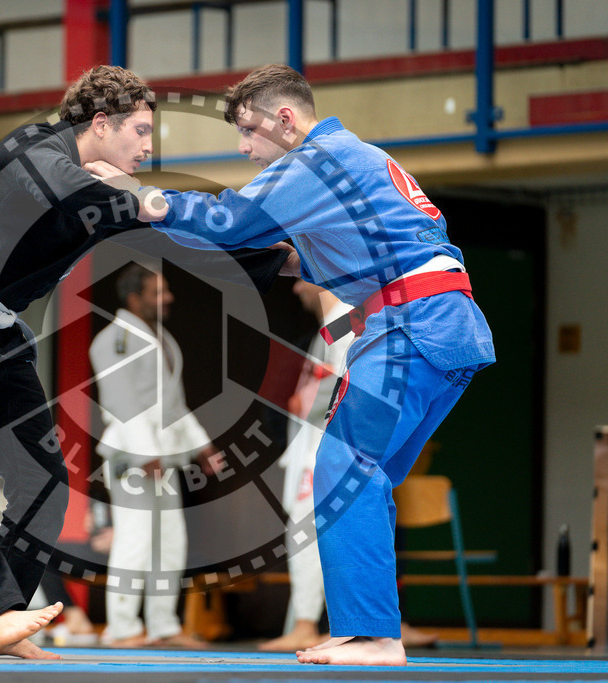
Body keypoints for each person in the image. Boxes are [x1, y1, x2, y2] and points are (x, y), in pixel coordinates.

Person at [87, 64, 494, 666]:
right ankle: (370, 627)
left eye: (249, 134)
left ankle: (374, 635)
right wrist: (216, 247)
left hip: (414, 324)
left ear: (285, 119)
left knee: (342, 468)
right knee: (365, 478)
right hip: (443, 327)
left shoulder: (319, 160)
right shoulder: (355, 159)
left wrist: (141, 199)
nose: (246, 150)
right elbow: (295, 258)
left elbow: (229, 221)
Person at [0, 65, 286, 660]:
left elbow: (174, 240)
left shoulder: (105, 185)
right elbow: (66, 188)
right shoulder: (33, 152)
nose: (150, 148)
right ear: (101, 124)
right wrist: (131, 195)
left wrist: (276, 264)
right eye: (142, 132)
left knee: (44, 485)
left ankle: (8, 621)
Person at [89, 264, 220, 648]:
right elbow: (121, 401)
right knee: (135, 538)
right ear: (134, 298)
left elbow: (173, 406)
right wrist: (145, 452)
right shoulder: (115, 340)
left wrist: (203, 447)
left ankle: (163, 625)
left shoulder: (159, 339)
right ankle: (122, 628)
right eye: (157, 292)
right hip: (132, 455)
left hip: (162, 457)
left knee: (170, 541)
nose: (168, 299)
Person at [260, 279, 352, 652]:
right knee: (310, 533)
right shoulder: (335, 325)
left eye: (300, 281)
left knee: (312, 533)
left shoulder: (347, 321)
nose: (296, 291)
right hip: (315, 444)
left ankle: (307, 624)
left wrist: (305, 401)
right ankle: (308, 622)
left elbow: (339, 386)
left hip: (325, 444)